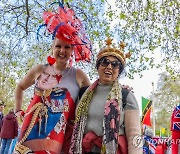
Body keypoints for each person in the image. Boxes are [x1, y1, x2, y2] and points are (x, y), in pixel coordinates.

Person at [14, 2, 91, 154]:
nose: (62, 51)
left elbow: (92, 98)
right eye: (58, 46)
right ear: (52, 48)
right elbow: (20, 87)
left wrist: (117, 89)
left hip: (60, 139)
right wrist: (18, 112)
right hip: (29, 135)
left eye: (67, 47)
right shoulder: (39, 70)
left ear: (72, 50)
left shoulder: (80, 76)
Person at [69, 38, 142, 154]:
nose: (109, 67)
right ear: (98, 66)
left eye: (115, 65)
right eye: (105, 62)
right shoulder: (83, 93)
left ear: (119, 71)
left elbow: (134, 135)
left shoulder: (126, 96)